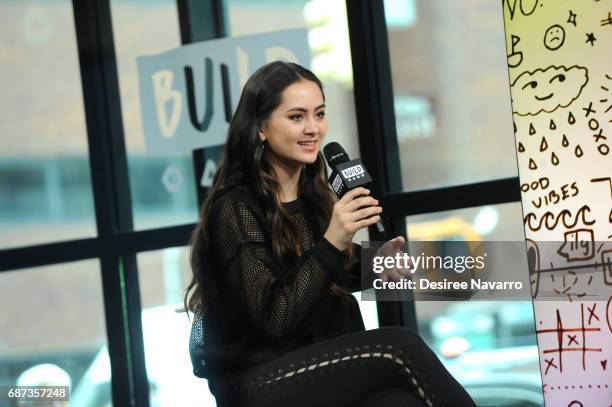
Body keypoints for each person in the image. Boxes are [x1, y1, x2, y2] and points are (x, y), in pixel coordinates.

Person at [184, 61, 475, 407]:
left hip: (322, 357)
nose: (313, 129)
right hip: (262, 379)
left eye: (319, 114)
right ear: (261, 127)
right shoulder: (234, 208)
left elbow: (312, 275)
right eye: (297, 117)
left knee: (399, 402)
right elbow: (276, 318)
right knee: (399, 347)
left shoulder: (315, 195)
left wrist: (371, 267)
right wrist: (333, 240)